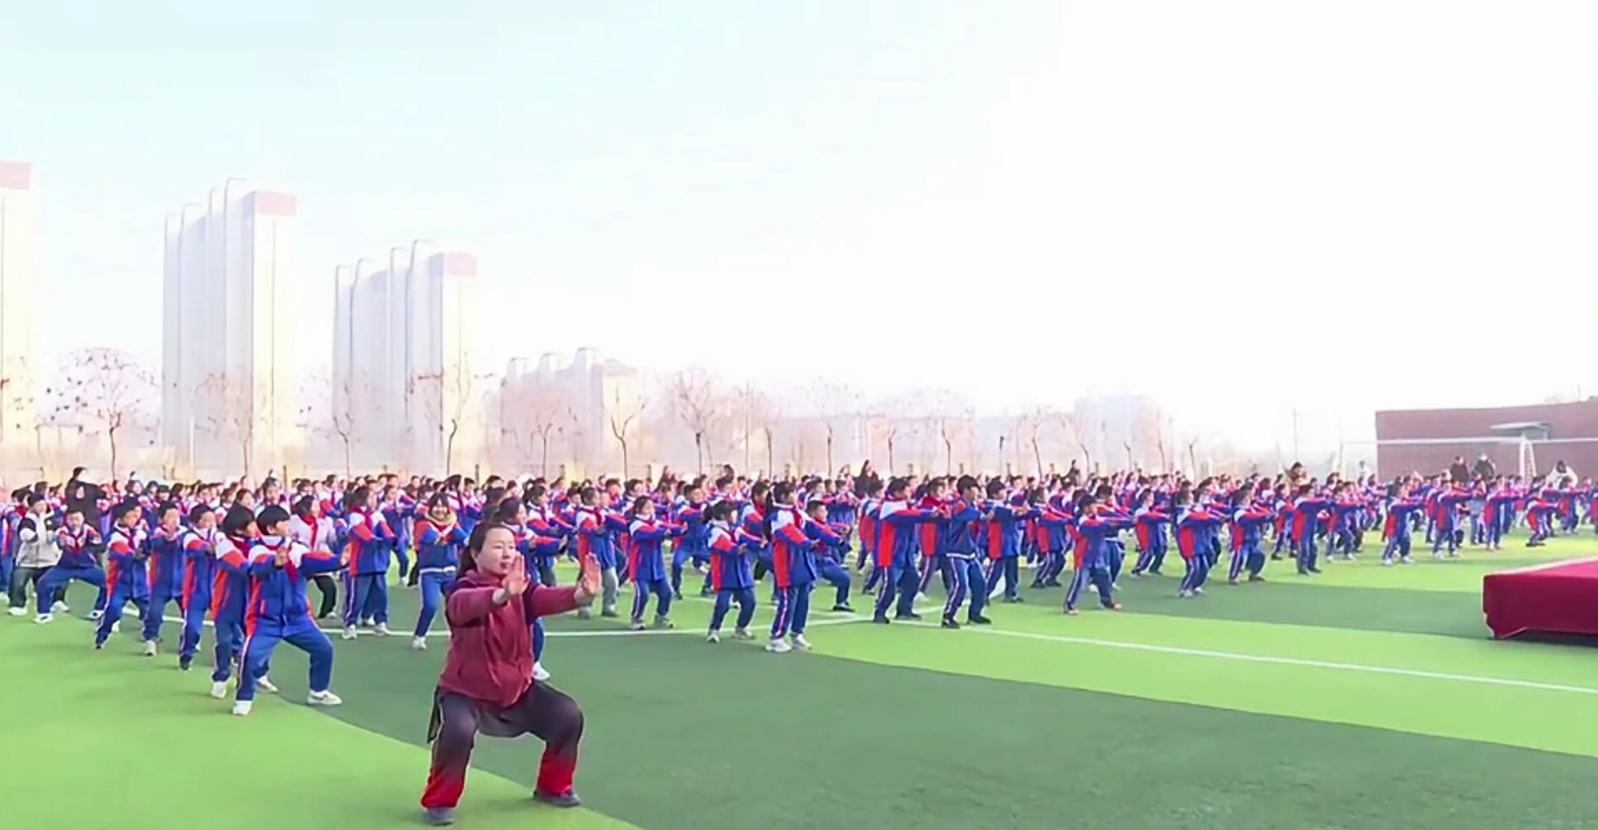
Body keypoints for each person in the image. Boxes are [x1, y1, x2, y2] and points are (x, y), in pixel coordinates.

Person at [419, 522, 599, 826]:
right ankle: (439, 801)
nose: (507, 553)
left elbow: (547, 598)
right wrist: (502, 595)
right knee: (458, 731)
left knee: (567, 715)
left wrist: (581, 594)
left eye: (511, 547)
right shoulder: (462, 589)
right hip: (465, 691)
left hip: (516, 688)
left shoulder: (523, 589)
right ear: (475, 553)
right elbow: (465, 606)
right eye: (498, 547)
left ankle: (553, 787)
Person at [232, 505, 342, 716]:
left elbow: (311, 560)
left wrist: (338, 562)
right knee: (251, 657)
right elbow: (258, 568)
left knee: (324, 648)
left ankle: (318, 692)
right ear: (271, 528)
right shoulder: (256, 549)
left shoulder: (296, 548)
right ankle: (244, 698)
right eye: (284, 523)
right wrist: (275, 563)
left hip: (297, 618)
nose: (289, 527)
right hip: (265, 619)